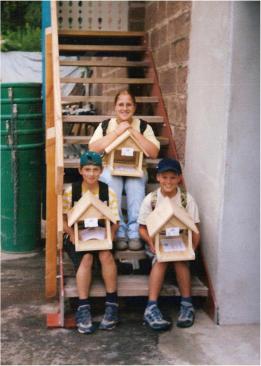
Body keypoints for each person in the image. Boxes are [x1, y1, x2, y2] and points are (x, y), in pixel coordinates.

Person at [89, 89, 160, 251]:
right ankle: (119, 231)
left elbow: (154, 152)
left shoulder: (142, 126)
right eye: (121, 104)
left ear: (134, 107)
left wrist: (132, 131)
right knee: (111, 181)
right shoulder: (106, 125)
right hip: (110, 167)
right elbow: (93, 149)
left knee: (135, 185)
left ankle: (134, 232)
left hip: (136, 169)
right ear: (115, 107)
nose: (124, 108)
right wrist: (117, 131)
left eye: (129, 104)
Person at [138, 158, 200, 330]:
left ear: (179, 178)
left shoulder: (187, 200)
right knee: (161, 259)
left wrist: (191, 249)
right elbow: (142, 228)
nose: (168, 181)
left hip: (180, 243)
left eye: (173, 177)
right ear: (157, 177)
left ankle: (187, 305)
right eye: (164, 177)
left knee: (181, 261)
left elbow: (195, 229)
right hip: (157, 242)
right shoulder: (151, 200)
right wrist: (151, 244)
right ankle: (151, 307)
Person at [63, 151, 120, 334]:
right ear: (80, 170)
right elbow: (63, 219)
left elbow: (115, 221)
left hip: (101, 233)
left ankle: (112, 305)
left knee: (105, 255)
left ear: (101, 171)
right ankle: (83, 307)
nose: (91, 174)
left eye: (95, 170)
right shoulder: (72, 191)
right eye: (87, 169)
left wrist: (109, 237)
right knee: (86, 258)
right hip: (78, 235)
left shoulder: (106, 191)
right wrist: (71, 234)